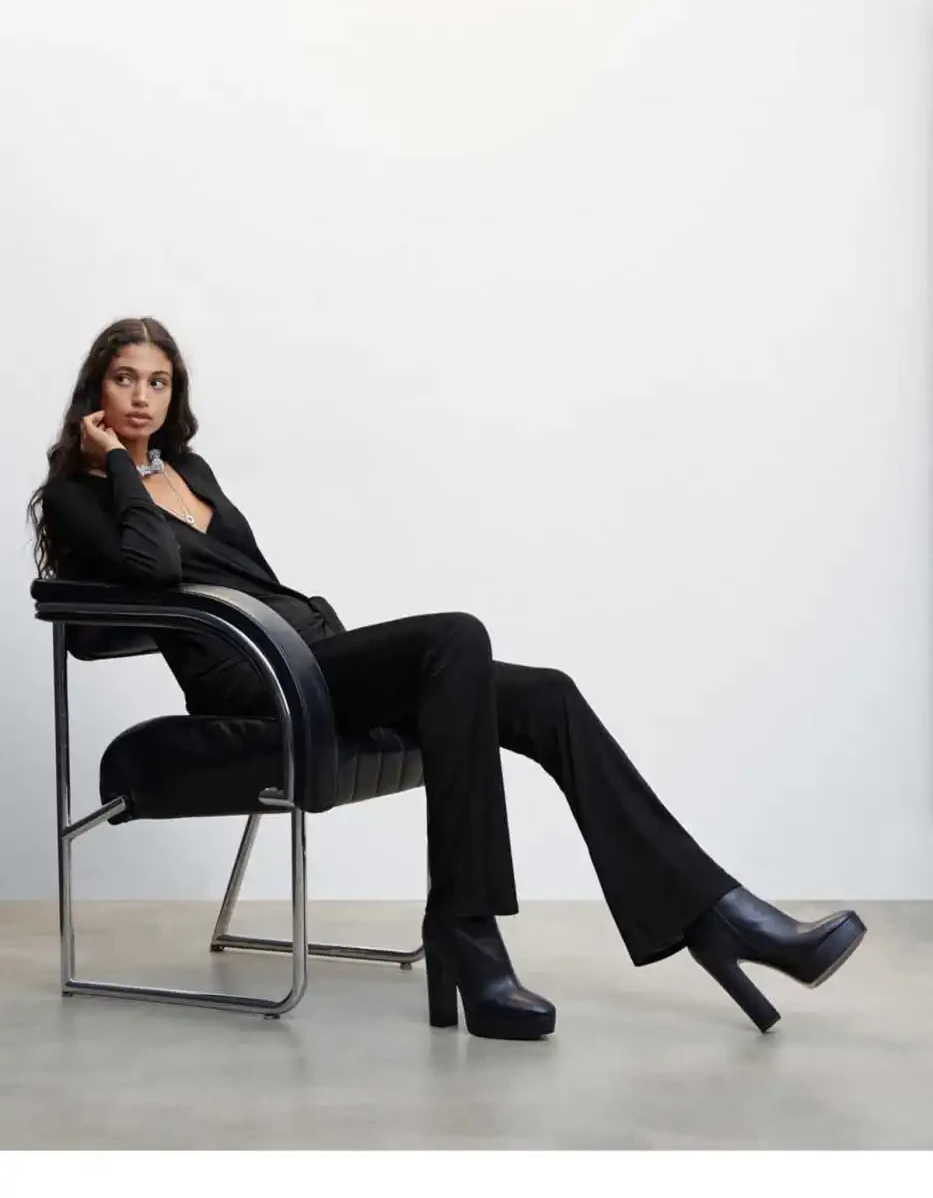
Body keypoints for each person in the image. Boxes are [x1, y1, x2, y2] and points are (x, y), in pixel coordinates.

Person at [28, 316, 866, 1042]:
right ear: (96, 390)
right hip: (254, 678)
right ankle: (468, 932)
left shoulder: (193, 470)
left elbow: (251, 573)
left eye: (159, 381)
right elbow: (152, 566)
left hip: (305, 654)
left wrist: (160, 481)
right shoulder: (77, 493)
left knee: (544, 695)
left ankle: (715, 912)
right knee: (453, 638)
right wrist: (123, 468)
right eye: (124, 378)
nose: (142, 397)